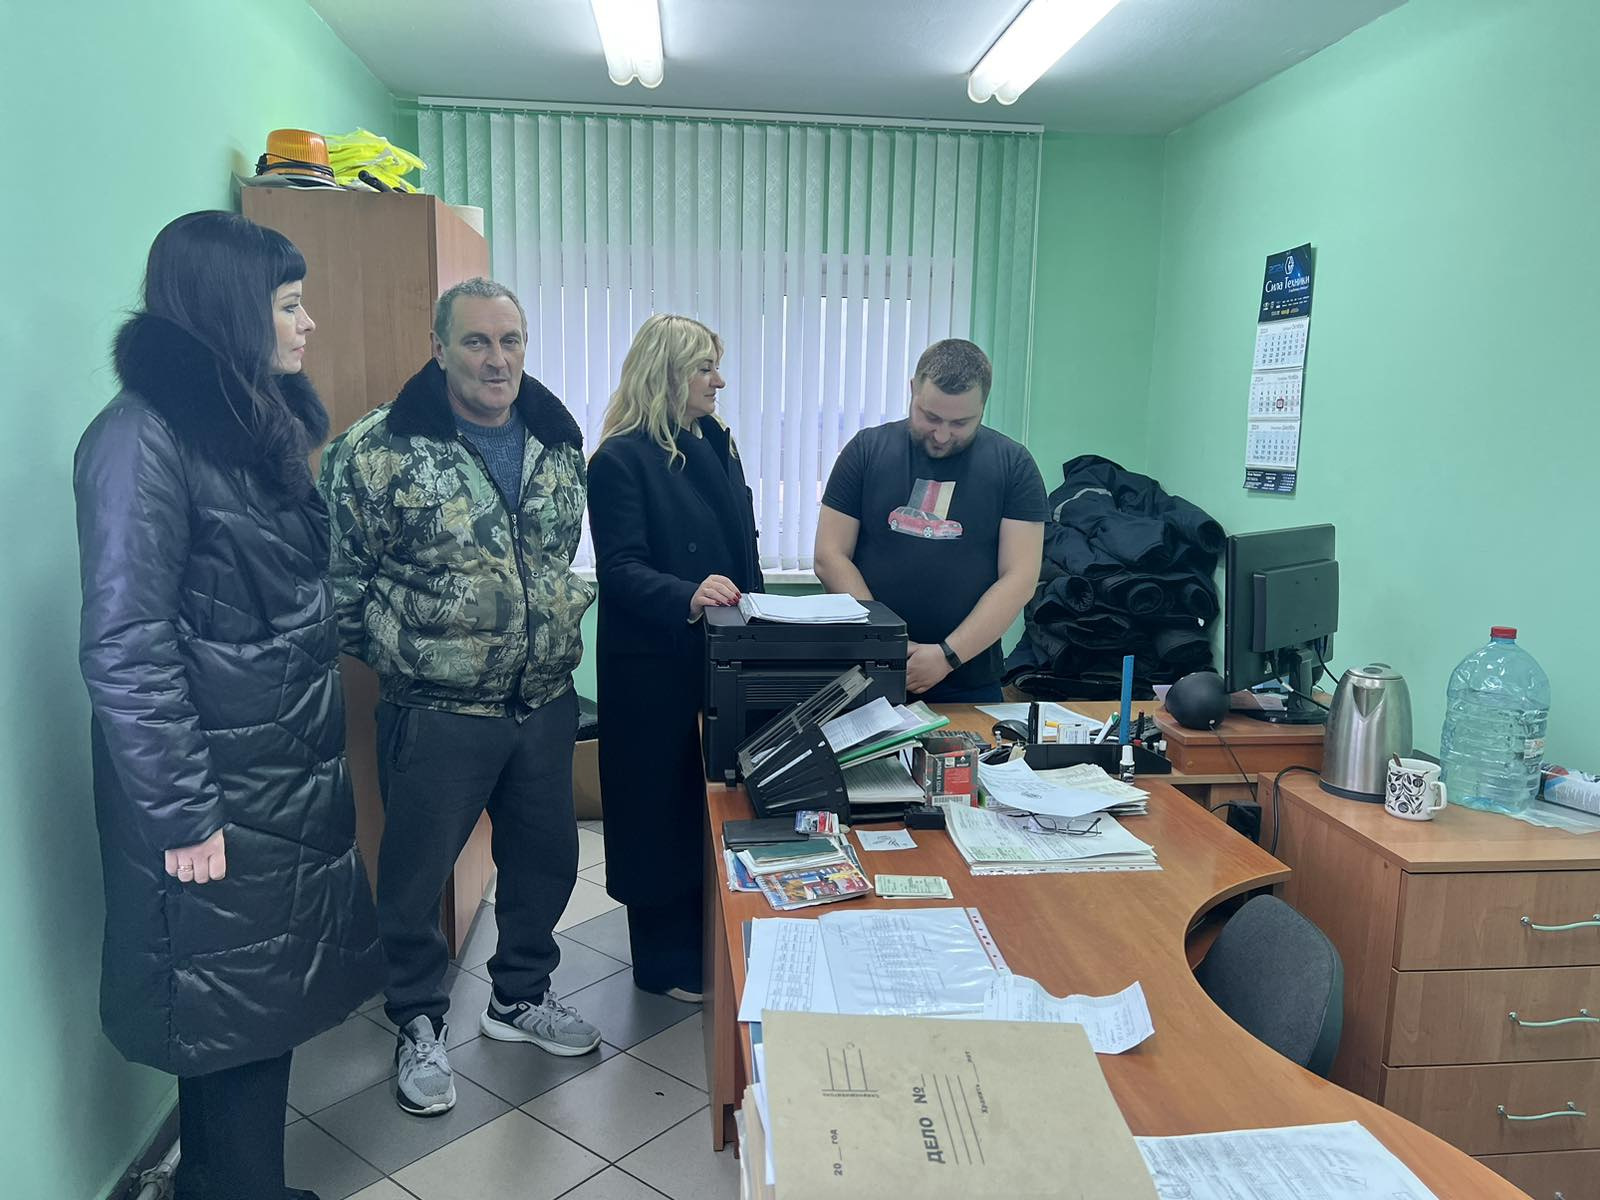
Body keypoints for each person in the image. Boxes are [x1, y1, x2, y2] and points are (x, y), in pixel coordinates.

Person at [74, 211, 382, 1200]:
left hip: (273, 778)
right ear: (226, 311)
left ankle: (226, 1186)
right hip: (214, 794)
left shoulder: (248, 427)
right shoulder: (139, 441)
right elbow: (126, 646)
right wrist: (183, 811)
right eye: (288, 306)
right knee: (231, 1009)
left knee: (247, 1012)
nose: (308, 325)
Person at [319, 277, 599, 1119]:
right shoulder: (377, 448)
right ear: (439, 348)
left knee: (546, 861)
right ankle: (416, 1020)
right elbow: (339, 586)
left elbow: (552, 558)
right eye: (477, 341)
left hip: (542, 699)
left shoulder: (557, 438)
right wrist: (415, 656)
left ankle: (519, 997)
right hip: (436, 710)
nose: (497, 359)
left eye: (510, 341)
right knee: (414, 879)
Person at [587, 314, 763, 999]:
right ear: (666, 374)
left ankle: (711, 940)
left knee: (711, 805)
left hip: (720, 659)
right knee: (656, 811)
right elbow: (620, 570)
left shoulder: (716, 442)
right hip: (654, 667)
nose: (719, 381)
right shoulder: (619, 459)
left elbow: (743, 548)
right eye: (704, 368)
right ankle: (663, 964)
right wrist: (686, 594)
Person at [814, 339, 1046, 703]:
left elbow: (1020, 578)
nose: (941, 435)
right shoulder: (865, 450)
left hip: (969, 678)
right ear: (913, 390)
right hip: (864, 670)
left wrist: (947, 656)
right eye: (931, 417)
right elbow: (829, 556)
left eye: (960, 423)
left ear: (983, 406)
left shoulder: (1014, 465)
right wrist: (887, 642)